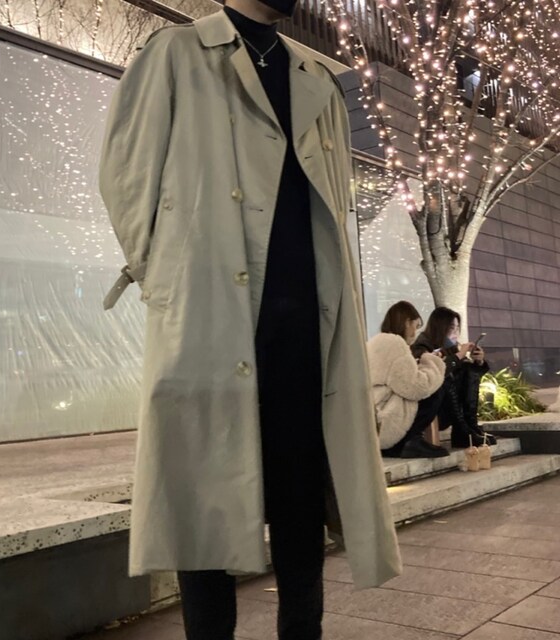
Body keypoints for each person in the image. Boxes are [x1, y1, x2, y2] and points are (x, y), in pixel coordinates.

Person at [98, 0, 401, 637]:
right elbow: (126, 175)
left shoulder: (317, 80)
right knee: (203, 508)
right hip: (212, 323)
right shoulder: (176, 53)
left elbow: (332, 208)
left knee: (300, 509)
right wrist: (168, 280)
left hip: (307, 330)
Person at [367, 301, 448, 459]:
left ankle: (406, 442)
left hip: (374, 418)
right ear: (407, 322)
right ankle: (409, 441)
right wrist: (432, 362)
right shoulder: (395, 343)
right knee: (434, 389)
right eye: (416, 326)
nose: (415, 333)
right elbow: (415, 387)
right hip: (386, 422)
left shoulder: (377, 341)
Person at [412, 307, 496, 448]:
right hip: (433, 405)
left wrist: (478, 361)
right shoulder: (422, 345)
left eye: (457, 328)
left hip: (452, 406)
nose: (455, 333)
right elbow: (434, 373)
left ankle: (470, 426)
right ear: (440, 327)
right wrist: (459, 355)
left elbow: (468, 377)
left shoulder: (450, 347)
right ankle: (461, 430)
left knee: (468, 370)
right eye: (452, 328)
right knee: (447, 376)